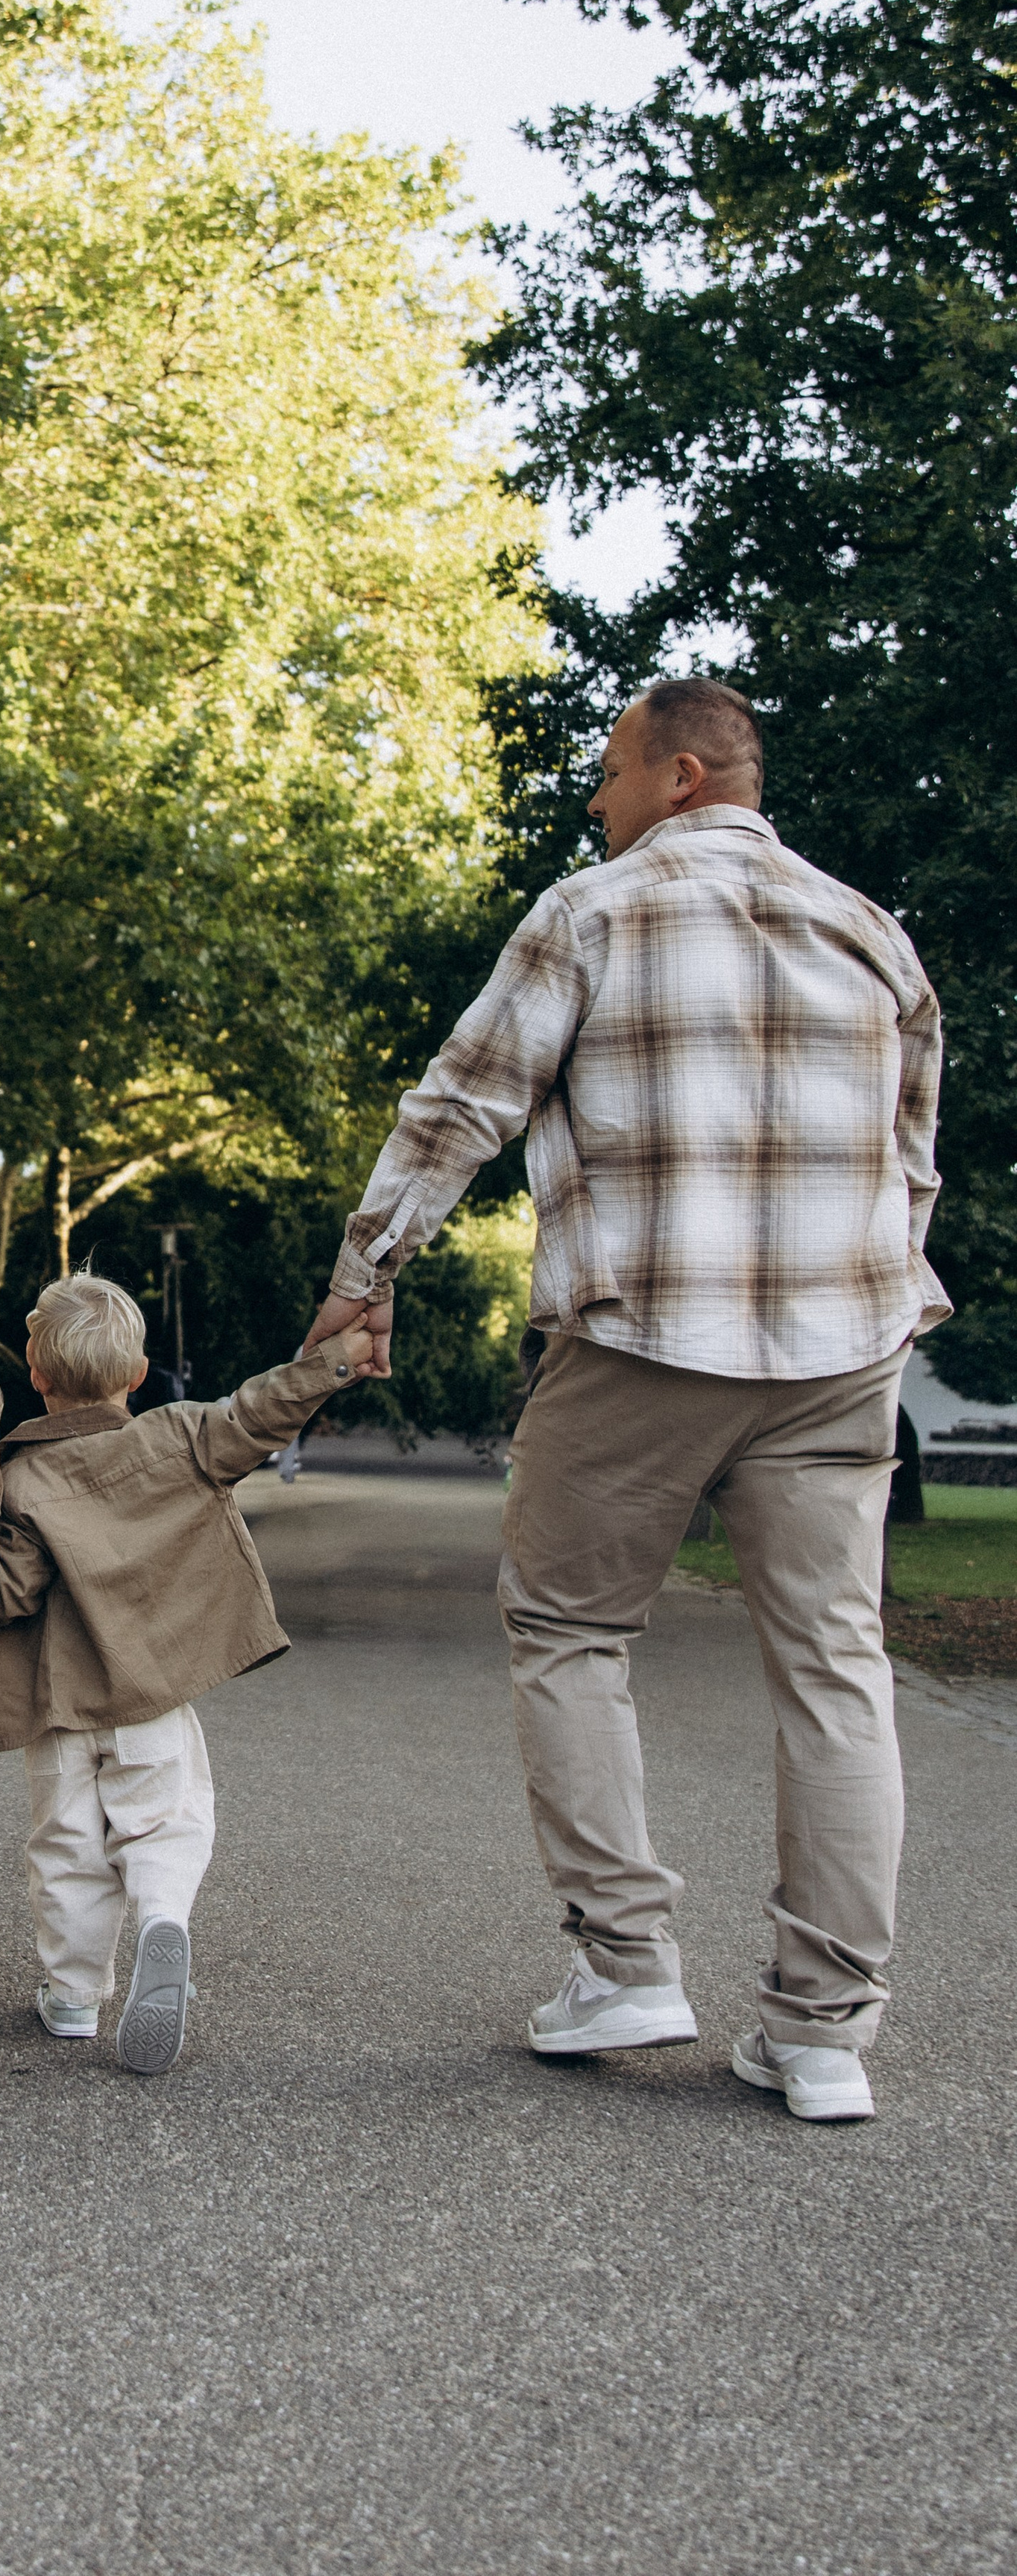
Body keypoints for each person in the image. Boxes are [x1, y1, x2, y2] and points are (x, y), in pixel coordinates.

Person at [305, 678, 948, 2125]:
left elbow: (455, 1106)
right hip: (839, 1347)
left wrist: (364, 1277)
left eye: (607, 772)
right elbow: (910, 1168)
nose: (592, 800)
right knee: (835, 1670)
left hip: (647, 1331)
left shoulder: (594, 911)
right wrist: (868, 1306)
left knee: (568, 1628)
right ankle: (821, 2030)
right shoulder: (869, 934)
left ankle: (624, 1961)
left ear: (680, 774)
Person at [0, 1274, 375, 2073]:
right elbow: (259, 1413)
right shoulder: (179, 1437)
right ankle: (161, 1918)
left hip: (58, 1706)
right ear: (139, 1374)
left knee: (65, 1849)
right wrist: (339, 1358)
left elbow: (3, 1592)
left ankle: (74, 1995)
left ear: (35, 1374)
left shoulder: (17, 1482)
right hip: (150, 1696)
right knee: (164, 1821)